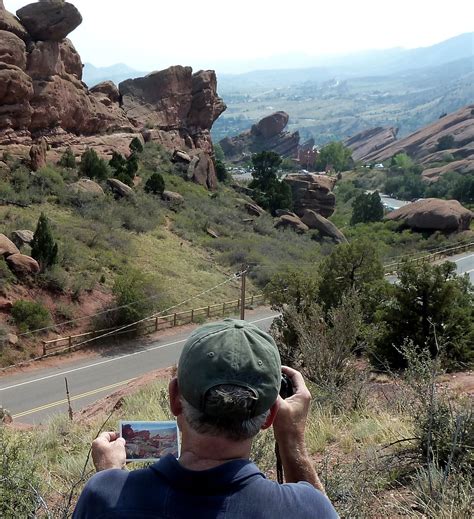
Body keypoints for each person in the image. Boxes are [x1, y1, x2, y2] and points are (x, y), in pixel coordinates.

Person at [73, 319, 338, 518]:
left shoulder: (102, 496)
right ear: (270, 416)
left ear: (175, 397)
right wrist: (291, 439)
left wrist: (110, 479)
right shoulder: (305, 508)